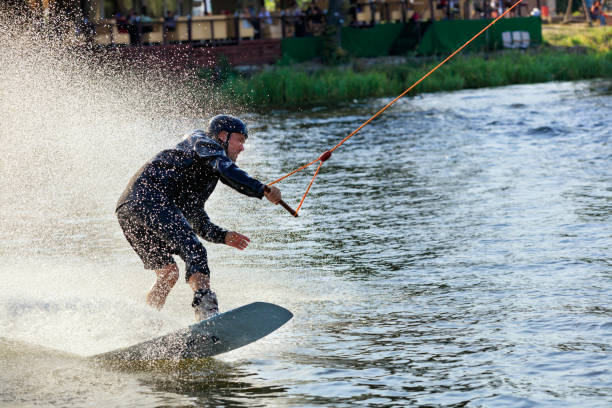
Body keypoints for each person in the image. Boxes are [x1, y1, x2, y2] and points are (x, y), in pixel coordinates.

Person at [116, 115, 282, 321]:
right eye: (240, 140)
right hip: (148, 198)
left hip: (128, 209)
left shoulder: (201, 169)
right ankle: (206, 314)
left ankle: (146, 321)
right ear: (223, 136)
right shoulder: (203, 141)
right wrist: (262, 189)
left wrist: (223, 236)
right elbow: (226, 169)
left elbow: (195, 218)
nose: (242, 148)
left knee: (168, 273)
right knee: (194, 250)